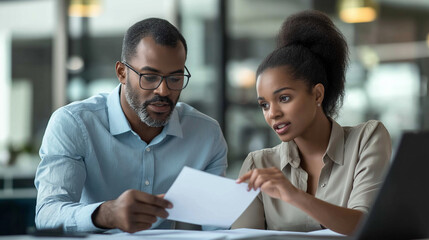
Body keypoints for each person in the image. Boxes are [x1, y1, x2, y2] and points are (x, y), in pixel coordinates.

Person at [34, 18, 228, 233]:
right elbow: (47, 214)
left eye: (175, 78)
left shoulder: (206, 134)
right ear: (122, 73)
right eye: (150, 76)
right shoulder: (74, 124)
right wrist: (108, 213)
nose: (163, 91)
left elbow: (215, 226)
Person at [232, 10, 391, 235]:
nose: (272, 114)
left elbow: (366, 226)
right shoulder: (259, 164)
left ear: (317, 95)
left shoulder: (366, 139)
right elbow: (242, 237)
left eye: (284, 98)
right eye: (264, 105)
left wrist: (294, 196)